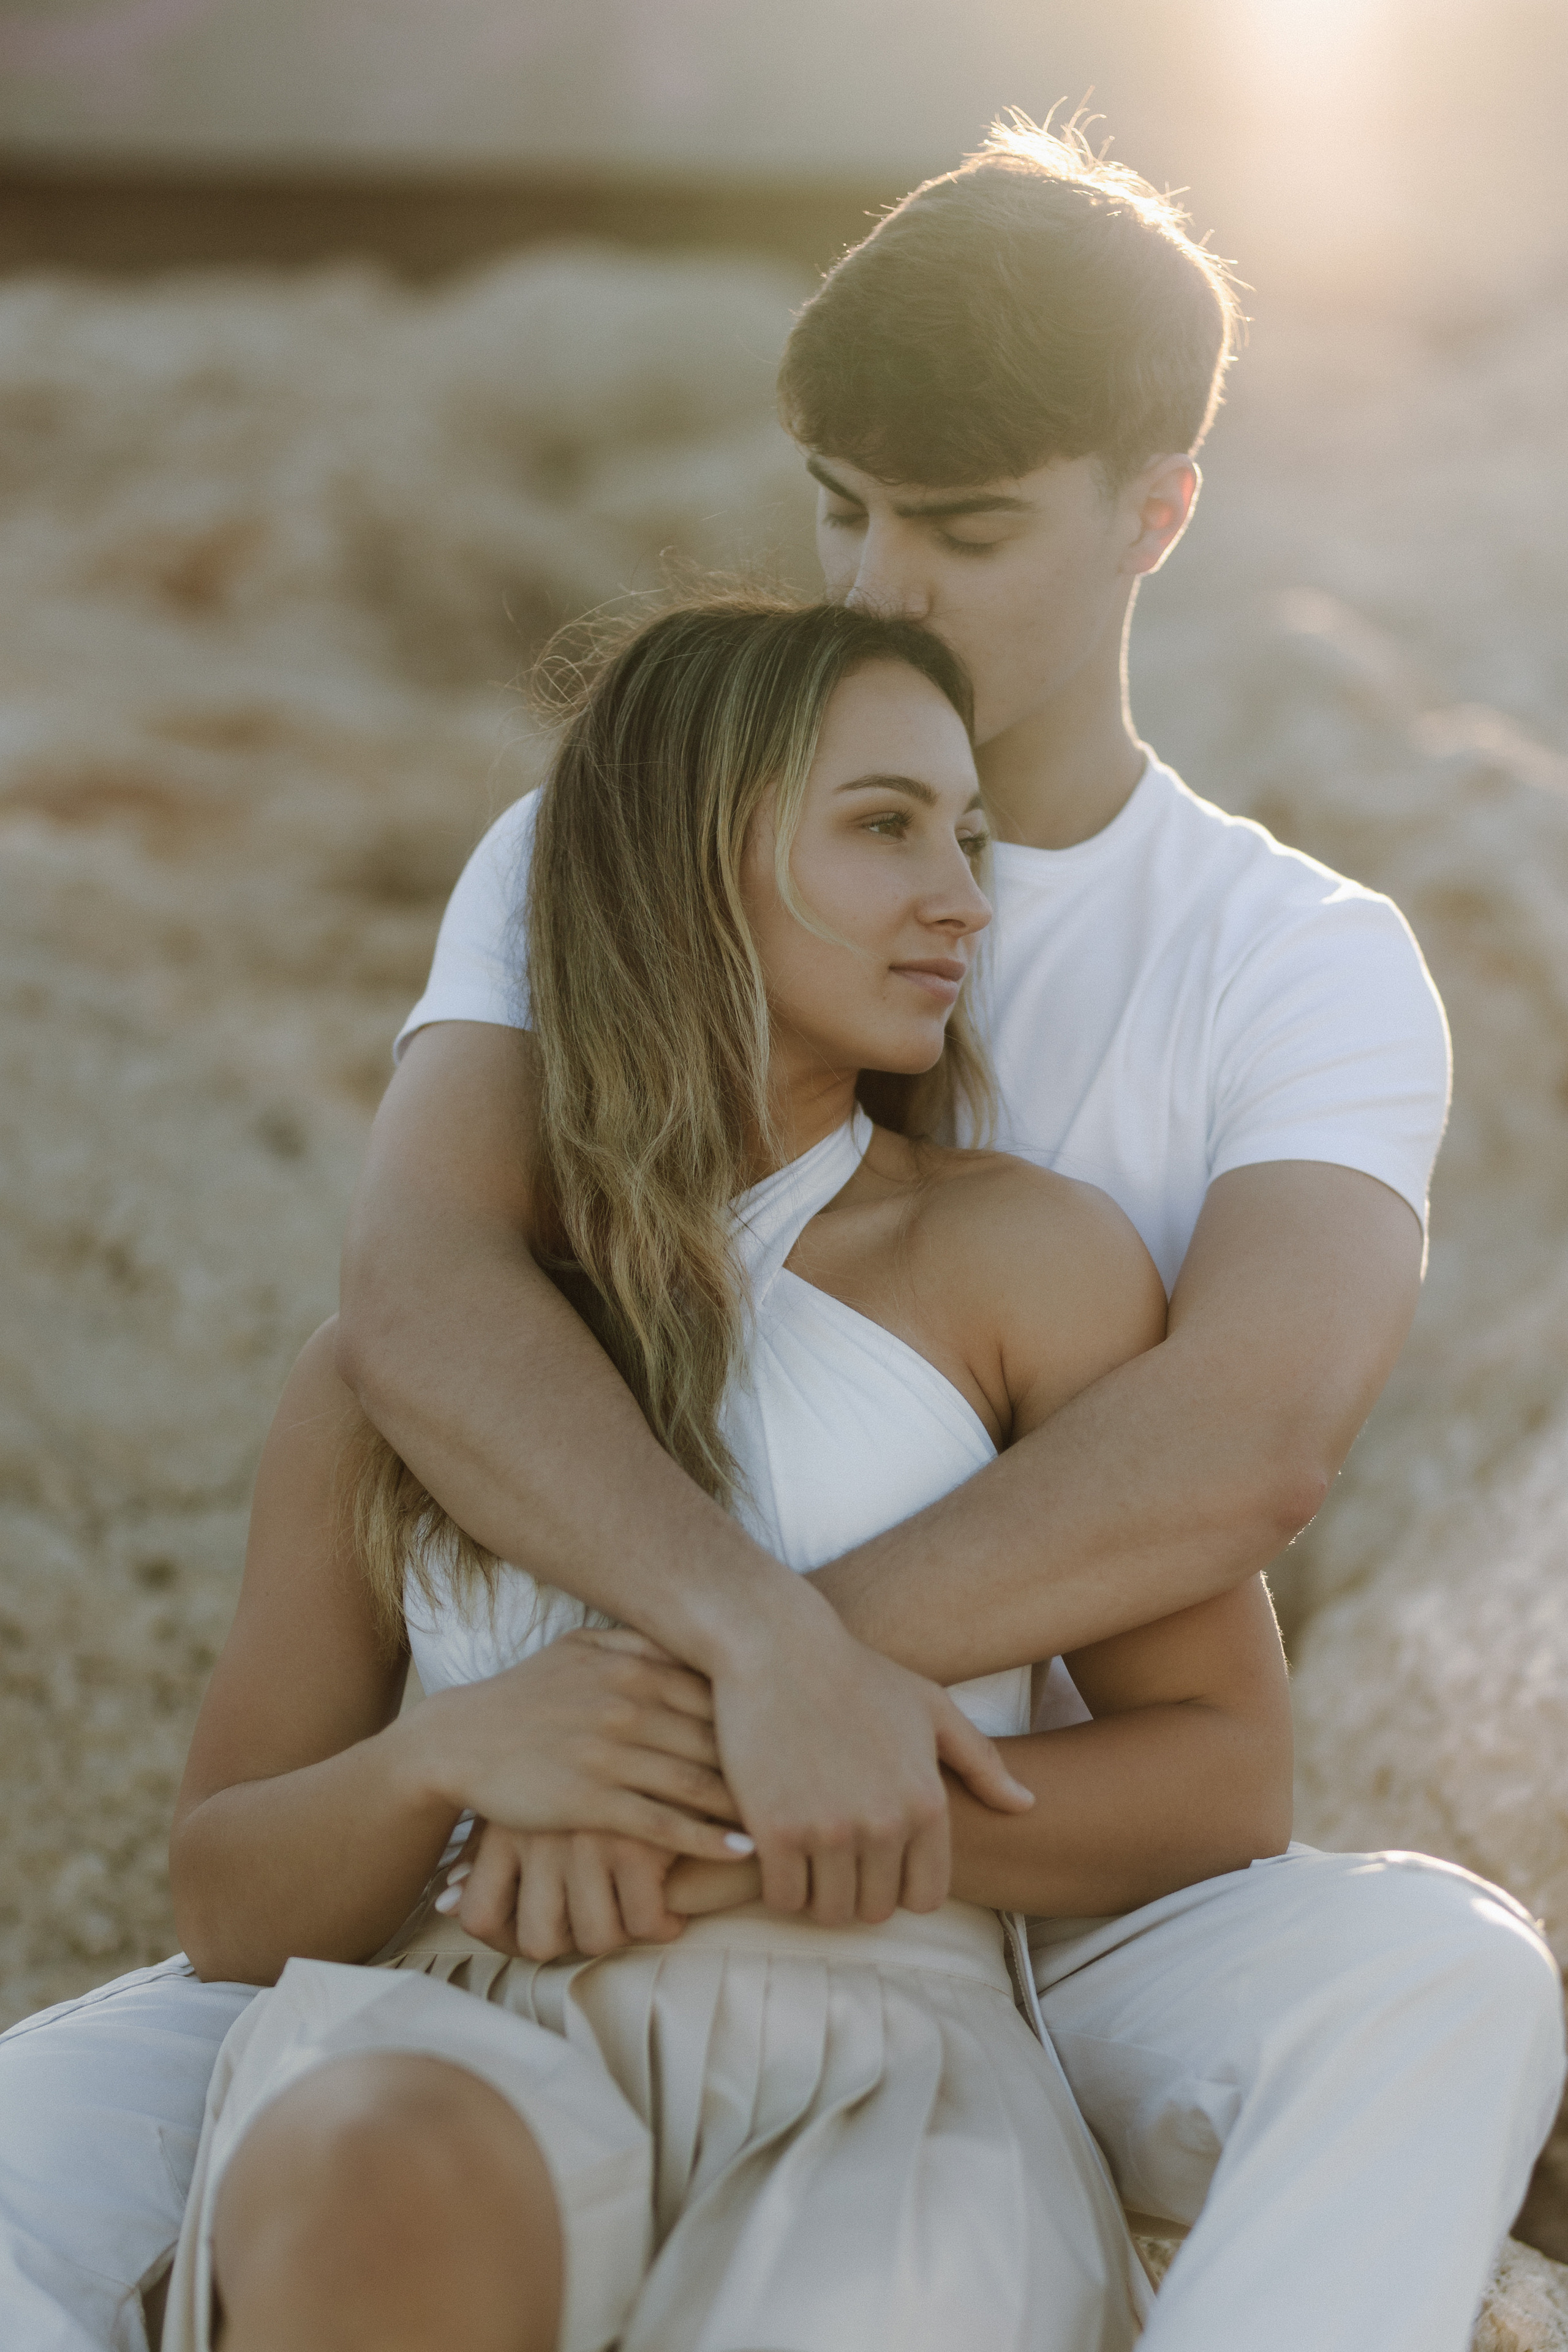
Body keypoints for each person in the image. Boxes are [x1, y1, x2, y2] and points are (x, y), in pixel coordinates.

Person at [0, 118, 1560, 2352]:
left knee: (1436, 1976)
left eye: (967, 527)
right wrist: (690, 1696)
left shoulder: (1295, 959)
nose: (880, 581)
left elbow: (1247, 1444)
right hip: (523, 1867)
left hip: (1029, 1858)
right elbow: (422, 1291)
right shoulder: (605, 844)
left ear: (1157, 513)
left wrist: (733, 1740)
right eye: (843, 506)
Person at [156, 594, 1300, 2352]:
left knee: (884, 2297)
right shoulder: (426, 1358)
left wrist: (742, 1836)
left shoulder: (1024, 1264)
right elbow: (227, 1895)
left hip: (882, 2042)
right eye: (886, 826)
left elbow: (1225, 1772)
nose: (964, 899)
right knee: (377, 2172)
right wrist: (456, 1754)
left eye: (970, 837)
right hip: (467, 2017)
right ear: (686, 856)